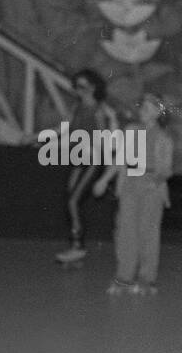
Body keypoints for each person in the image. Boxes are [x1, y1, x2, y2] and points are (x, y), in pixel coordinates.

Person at [93, 93, 175, 296]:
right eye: (142, 107)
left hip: (152, 187)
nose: (142, 111)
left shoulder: (164, 138)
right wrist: (104, 180)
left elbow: (166, 169)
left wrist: (154, 181)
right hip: (130, 182)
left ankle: (147, 279)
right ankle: (124, 277)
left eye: (148, 108)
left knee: (148, 232)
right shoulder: (131, 131)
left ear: (157, 113)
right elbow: (120, 159)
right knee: (125, 231)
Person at [56, 69, 119, 266]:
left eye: (82, 86)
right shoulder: (77, 108)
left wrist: (107, 167)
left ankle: (77, 247)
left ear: (93, 87)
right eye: (76, 86)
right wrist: (34, 137)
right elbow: (62, 129)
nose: (78, 90)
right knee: (69, 198)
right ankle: (76, 246)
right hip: (78, 159)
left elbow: (104, 139)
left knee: (73, 201)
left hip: (92, 160)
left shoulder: (99, 110)